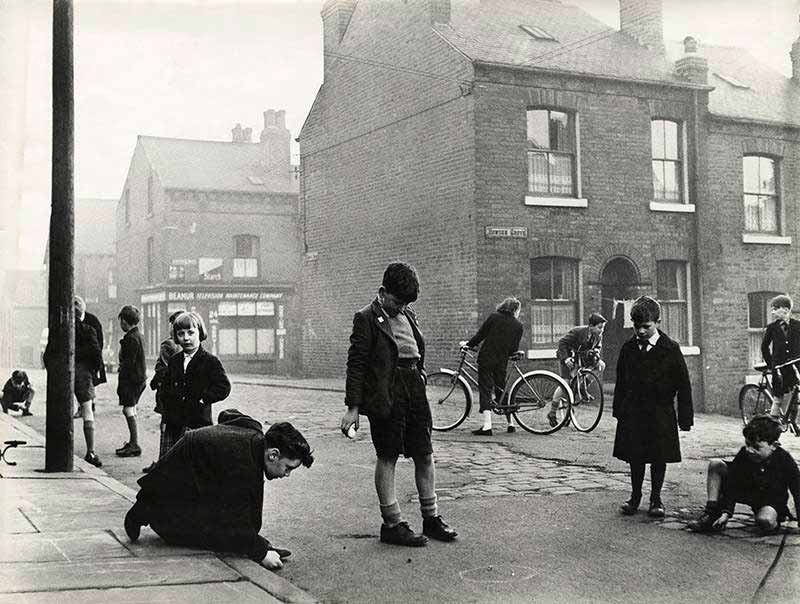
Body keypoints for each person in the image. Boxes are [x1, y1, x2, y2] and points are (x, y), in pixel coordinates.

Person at [340, 261, 457, 547]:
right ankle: (392, 524)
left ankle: (431, 518)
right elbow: (356, 364)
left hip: (413, 386)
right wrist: (353, 407)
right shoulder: (365, 318)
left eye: (405, 303)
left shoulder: (408, 313)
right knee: (388, 454)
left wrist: (420, 373)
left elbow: (415, 347)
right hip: (386, 392)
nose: (400, 308)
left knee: (424, 452)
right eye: (396, 301)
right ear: (382, 292)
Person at [124, 409, 313, 570]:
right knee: (218, 535)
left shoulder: (254, 439)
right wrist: (261, 552)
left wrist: (257, 541)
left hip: (182, 487)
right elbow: (234, 519)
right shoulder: (242, 460)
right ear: (273, 455)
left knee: (231, 530)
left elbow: (228, 415)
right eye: (288, 468)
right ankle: (140, 513)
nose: (287, 474)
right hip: (167, 511)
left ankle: (143, 510)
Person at [612, 295, 693, 518]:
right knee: (635, 456)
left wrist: (685, 418)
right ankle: (635, 496)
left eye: (646, 326)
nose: (640, 331)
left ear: (658, 322)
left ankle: (656, 498)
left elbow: (683, 385)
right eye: (636, 326)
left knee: (659, 456)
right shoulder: (628, 348)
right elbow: (621, 381)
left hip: (660, 412)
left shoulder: (670, 348)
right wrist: (618, 409)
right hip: (634, 412)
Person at [688, 416, 799, 534]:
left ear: (774, 445)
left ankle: (775, 522)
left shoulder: (785, 460)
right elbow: (732, 482)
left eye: (756, 447)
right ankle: (712, 513)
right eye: (747, 444)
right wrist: (727, 512)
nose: (749, 450)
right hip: (747, 490)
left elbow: (797, 489)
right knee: (716, 465)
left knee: (765, 521)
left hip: (770, 499)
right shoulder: (744, 454)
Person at [159, 311, 231, 447]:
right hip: (174, 423)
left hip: (198, 422)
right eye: (181, 334)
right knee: (174, 461)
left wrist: (203, 398)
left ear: (200, 333)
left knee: (195, 462)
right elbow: (165, 388)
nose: (186, 338)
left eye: (191, 333)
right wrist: (168, 410)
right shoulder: (174, 361)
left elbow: (223, 387)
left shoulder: (210, 361)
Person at [44, 305, 104, 467]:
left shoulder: (57, 332)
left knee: (62, 410)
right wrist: (91, 370)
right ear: (81, 314)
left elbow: (48, 355)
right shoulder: (88, 330)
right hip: (83, 373)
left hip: (62, 373)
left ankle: (59, 448)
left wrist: (54, 372)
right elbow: (97, 354)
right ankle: (90, 451)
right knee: (87, 410)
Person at [460, 297, 523, 435]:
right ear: (515, 310)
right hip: (502, 362)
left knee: (485, 389)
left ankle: (487, 426)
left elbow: (480, 335)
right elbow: (513, 348)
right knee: (501, 390)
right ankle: (510, 424)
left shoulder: (494, 317)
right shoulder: (518, 325)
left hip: (487, 359)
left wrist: (468, 344)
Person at [548, 312, 607, 427]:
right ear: (591, 326)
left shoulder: (598, 336)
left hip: (581, 358)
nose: (602, 330)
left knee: (601, 365)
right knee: (566, 383)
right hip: (568, 358)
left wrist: (596, 353)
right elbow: (562, 343)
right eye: (600, 327)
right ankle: (552, 412)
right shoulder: (578, 332)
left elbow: (597, 347)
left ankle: (583, 384)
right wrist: (566, 359)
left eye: (603, 328)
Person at [142, 310, 184, 473]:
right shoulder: (186, 345)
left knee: (166, 428)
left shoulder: (168, 344)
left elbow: (164, 369)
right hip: (181, 395)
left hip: (169, 394)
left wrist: (157, 380)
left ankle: (163, 463)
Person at [760, 294, 800, 419]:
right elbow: (764, 347)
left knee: (796, 394)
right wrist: (771, 364)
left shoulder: (797, 325)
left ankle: (793, 422)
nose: (773, 312)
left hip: (796, 365)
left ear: (786, 310)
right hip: (779, 368)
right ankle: (773, 429)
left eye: (776, 309)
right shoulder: (772, 328)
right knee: (778, 397)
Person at [116, 305, 147, 458]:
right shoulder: (138, 335)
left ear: (125, 321)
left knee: (128, 410)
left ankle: (134, 444)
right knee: (131, 409)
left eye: (120, 320)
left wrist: (121, 383)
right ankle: (133, 441)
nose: (120, 324)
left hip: (131, 380)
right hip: (139, 379)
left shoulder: (130, 339)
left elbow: (128, 364)